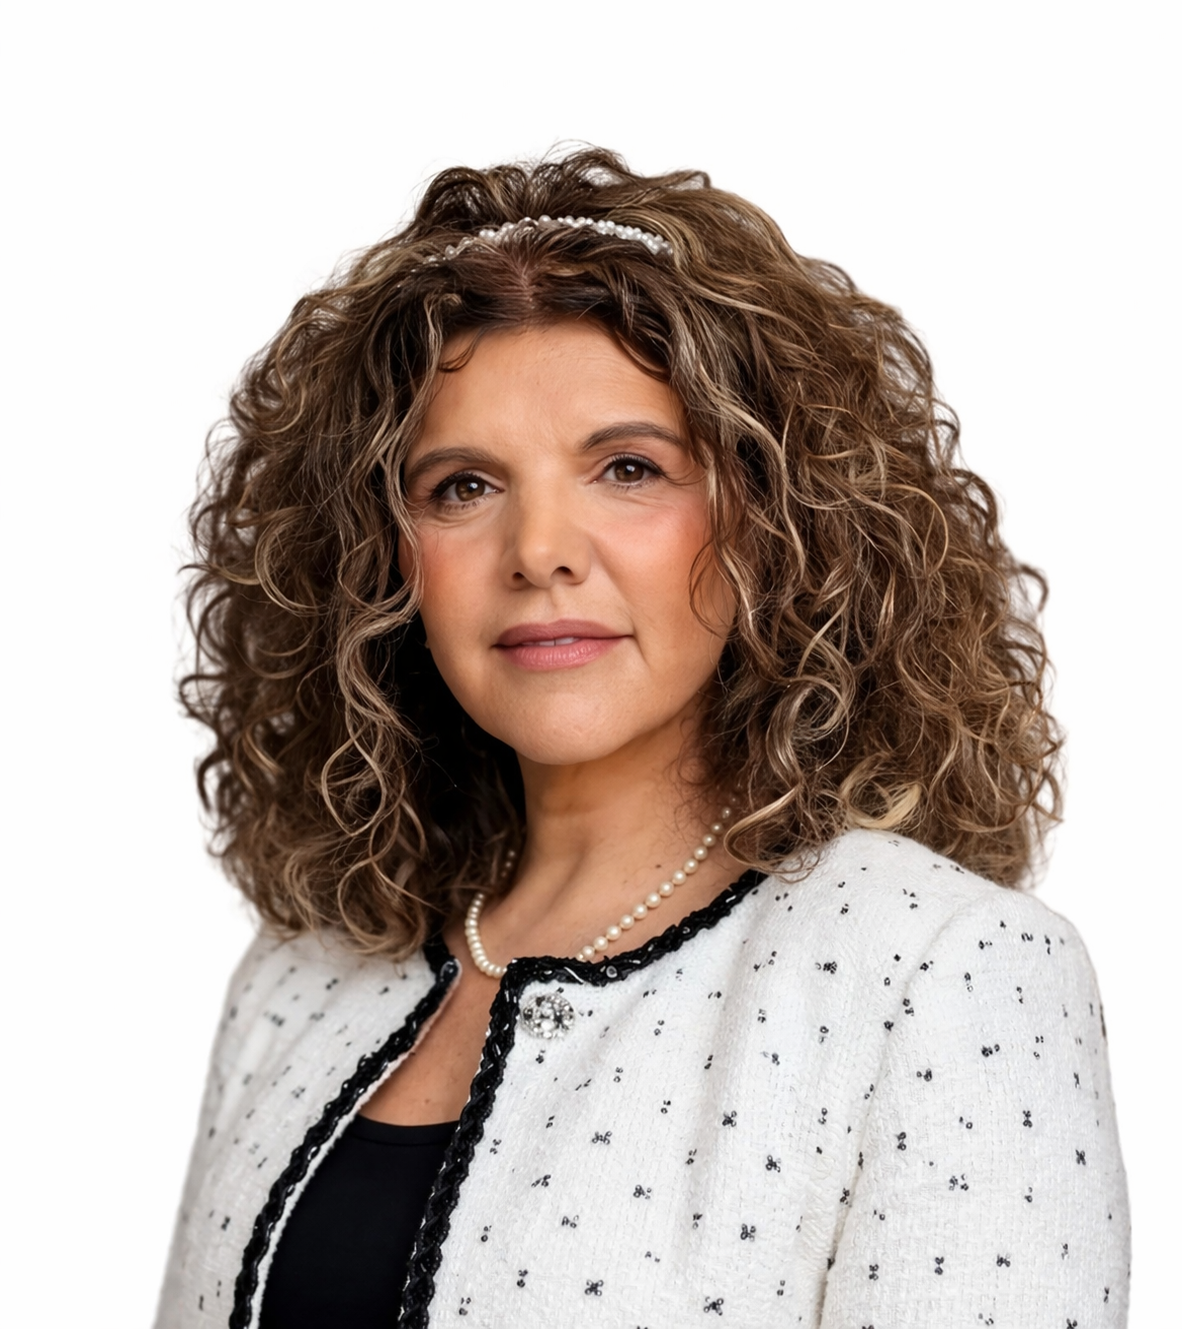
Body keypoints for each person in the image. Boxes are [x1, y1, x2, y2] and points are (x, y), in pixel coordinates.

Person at [155, 148, 1130, 1329]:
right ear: (381, 562)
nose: (540, 550)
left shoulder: (943, 972)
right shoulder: (296, 980)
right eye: (463, 485)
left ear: (776, 520)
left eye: (629, 468)